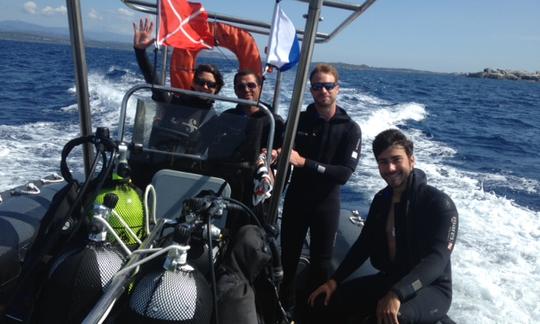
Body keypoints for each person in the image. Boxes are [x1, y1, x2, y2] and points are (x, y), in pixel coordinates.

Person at [307, 129, 459, 324]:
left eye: (397, 160)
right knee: (324, 302)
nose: (391, 168)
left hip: (431, 288)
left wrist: (397, 294)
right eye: (383, 162)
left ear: (411, 160)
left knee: (391, 318)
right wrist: (334, 281)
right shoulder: (382, 200)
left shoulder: (439, 205)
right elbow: (364, 245)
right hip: (391, 279)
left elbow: (437, 260)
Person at [278, 64, 362, 317]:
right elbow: (282, 151)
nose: (322, 91)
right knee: (288, 258)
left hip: (326, 203)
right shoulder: (299, 121)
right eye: (317, 87)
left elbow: (343, 174)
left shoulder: (350, 129)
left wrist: (305, 163)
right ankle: (283, 306)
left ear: (337, 88)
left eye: (327, 86)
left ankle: (311, 312)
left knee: (321, 264)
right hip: (296, 199)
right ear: (311, 90)